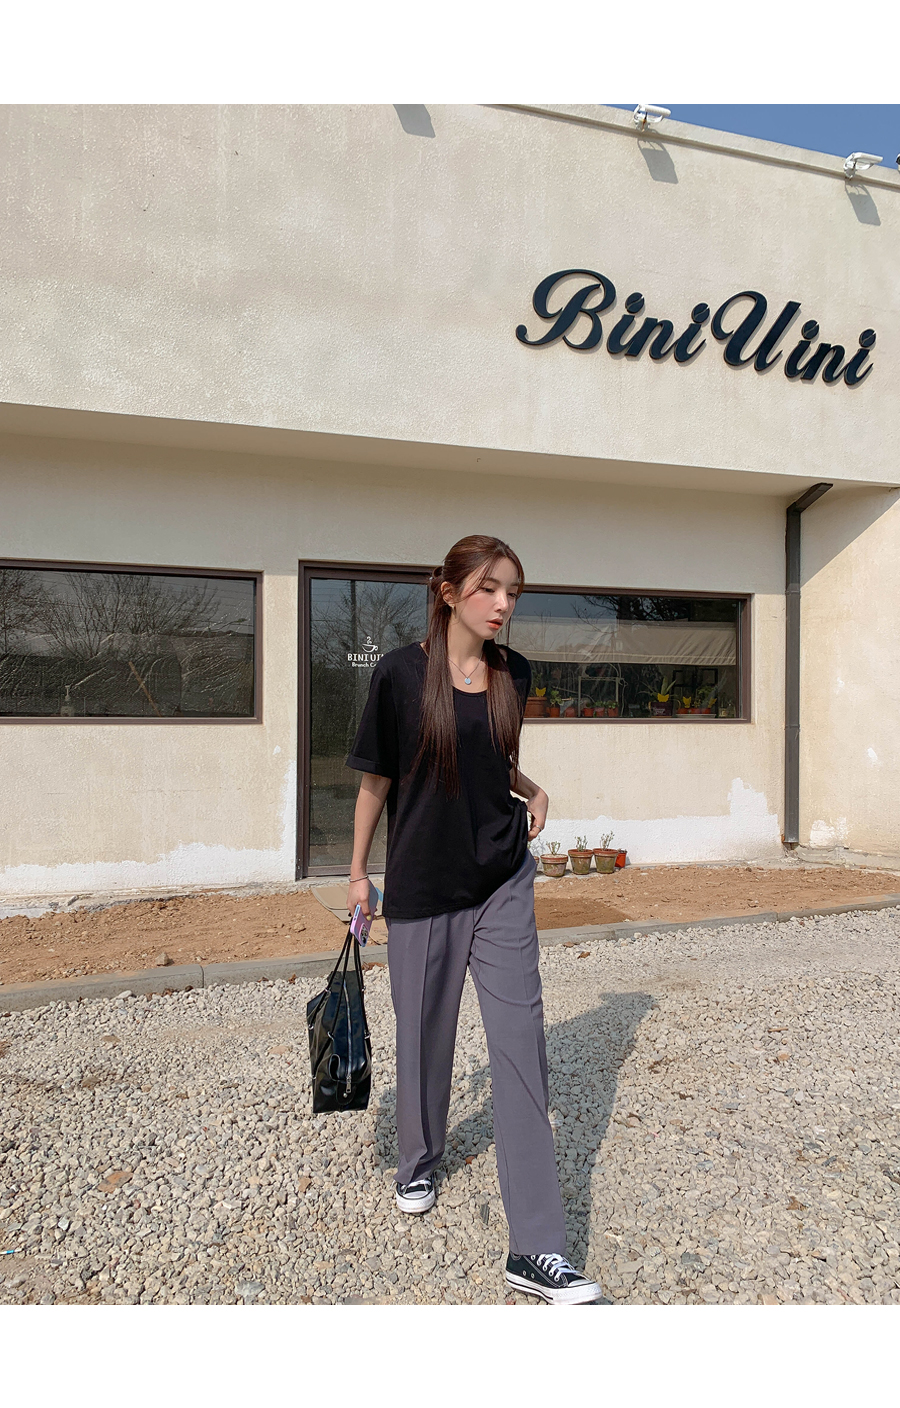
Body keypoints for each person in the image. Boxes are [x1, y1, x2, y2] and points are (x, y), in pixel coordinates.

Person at [345, 534, 602, 1305]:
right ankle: (418, 1160)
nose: (503, 604)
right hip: (424, 887)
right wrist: (357, 874)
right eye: (489, 588)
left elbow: (488, 756)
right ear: (450, 592)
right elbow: (377, 779)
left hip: (502, 881)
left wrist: (533, 787)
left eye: (513, 591)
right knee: (425, 1036)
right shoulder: (399, 674)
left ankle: (537, 1248)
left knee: (521, 1047)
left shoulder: (513, 673)